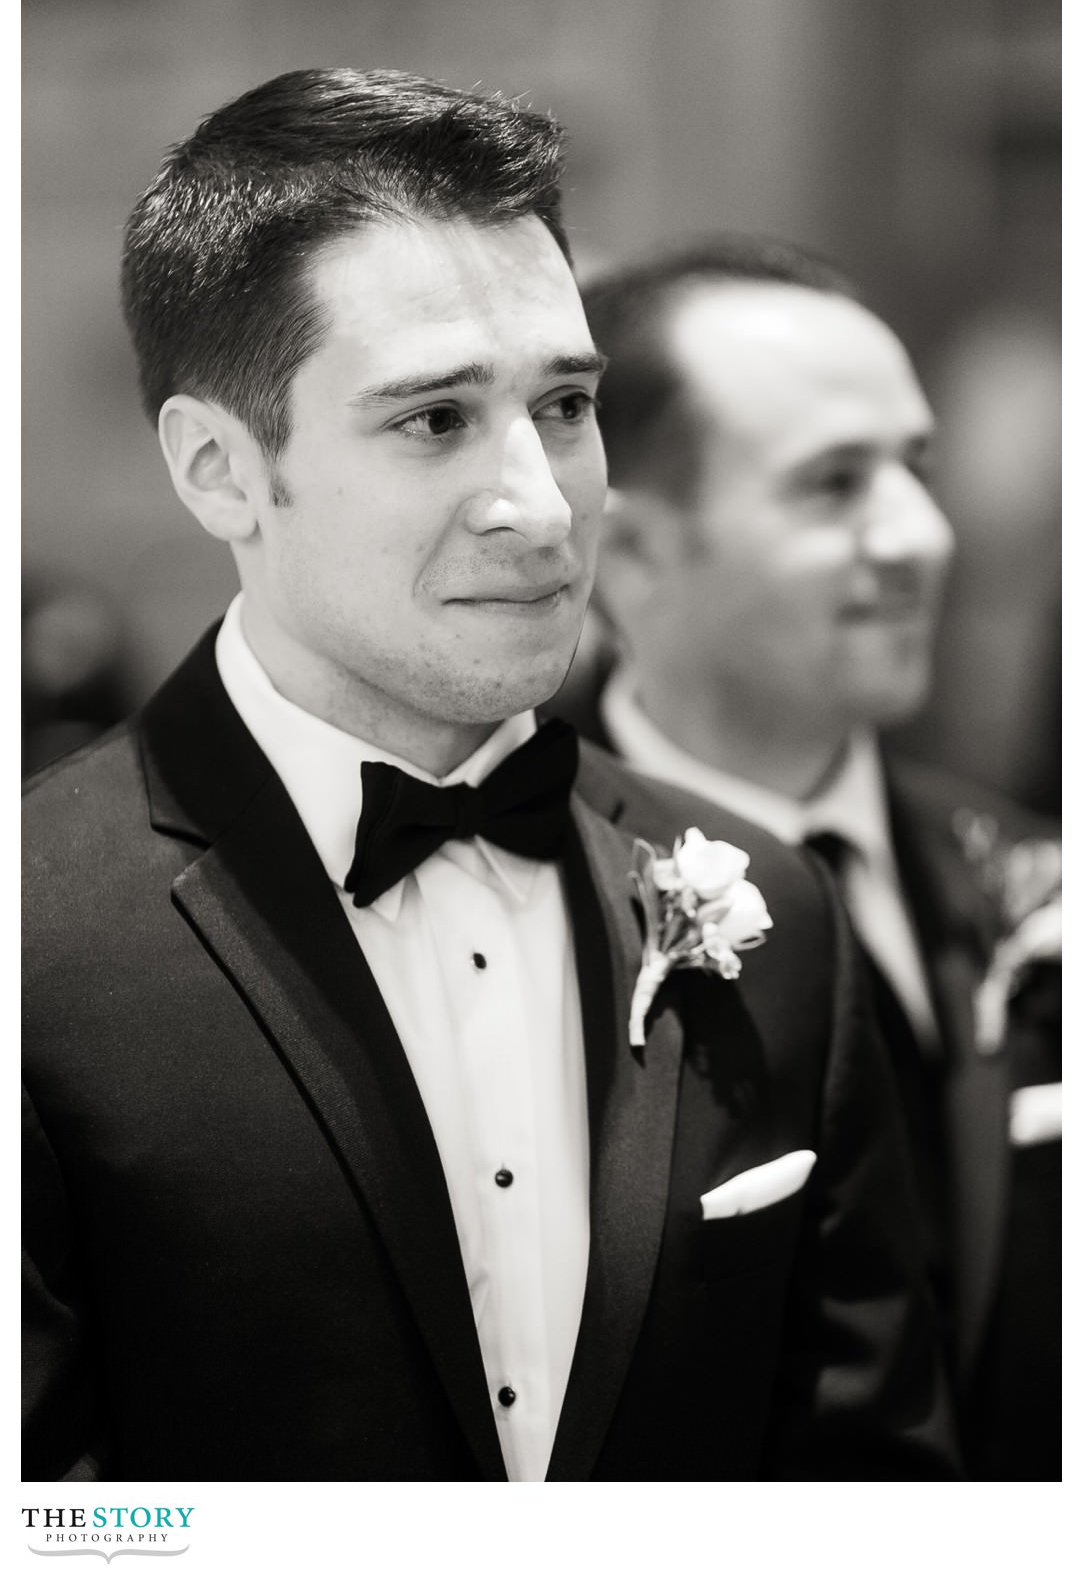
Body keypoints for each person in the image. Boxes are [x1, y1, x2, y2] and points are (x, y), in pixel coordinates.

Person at [23, 71, 957, 1484]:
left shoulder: (768, 912)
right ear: (220, 471)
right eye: (434, 421)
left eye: (566, 404)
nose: (538, 502)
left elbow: (869, 1486)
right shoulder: (35, 938)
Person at [569, 235, 1061, 1480]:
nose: (920, 536)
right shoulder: (521, 901)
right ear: (625, 551)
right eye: (835, 482)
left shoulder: (1021, 875)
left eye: (917, 467)